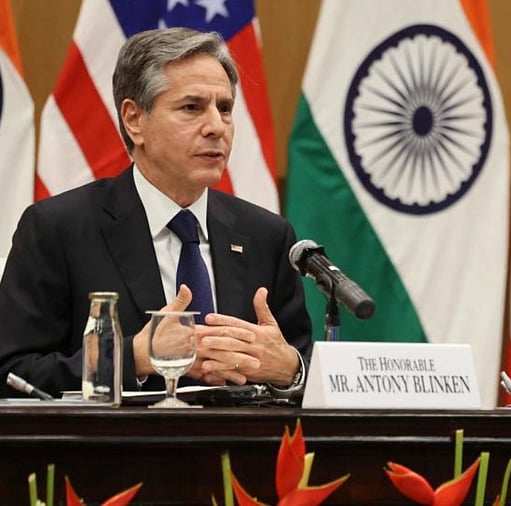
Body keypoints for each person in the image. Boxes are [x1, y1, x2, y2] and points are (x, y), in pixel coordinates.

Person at [0, 28, 311, 398]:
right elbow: (11, 374)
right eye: (192, 107)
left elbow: (302, 365)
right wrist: (134, 357)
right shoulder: (60, 228)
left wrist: (289, 369)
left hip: (243, 451)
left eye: (225, 108)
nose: (216, 127)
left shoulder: (267, 235)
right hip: (114, 454)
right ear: (134, 119)